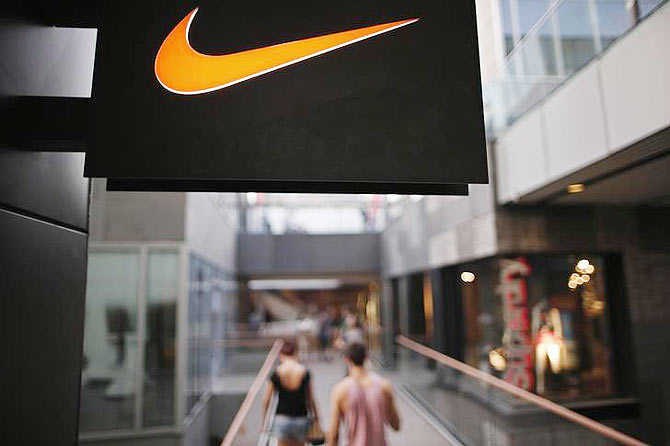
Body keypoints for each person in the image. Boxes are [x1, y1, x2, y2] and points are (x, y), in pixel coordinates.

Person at [326, 342, 400, 446]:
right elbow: (396, 425)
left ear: (346, 359)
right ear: (366, 358)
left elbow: (334, 433)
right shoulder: (384, 386)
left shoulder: (339, 390)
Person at [262, 340, 320, 446]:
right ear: (295, 354)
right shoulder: (304, 372)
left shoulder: (276, 373)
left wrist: (264, 422)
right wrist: (316, 418)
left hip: (282, 419)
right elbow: (311, 399)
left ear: (281, 355)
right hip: (301, 418)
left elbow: (266, 400)